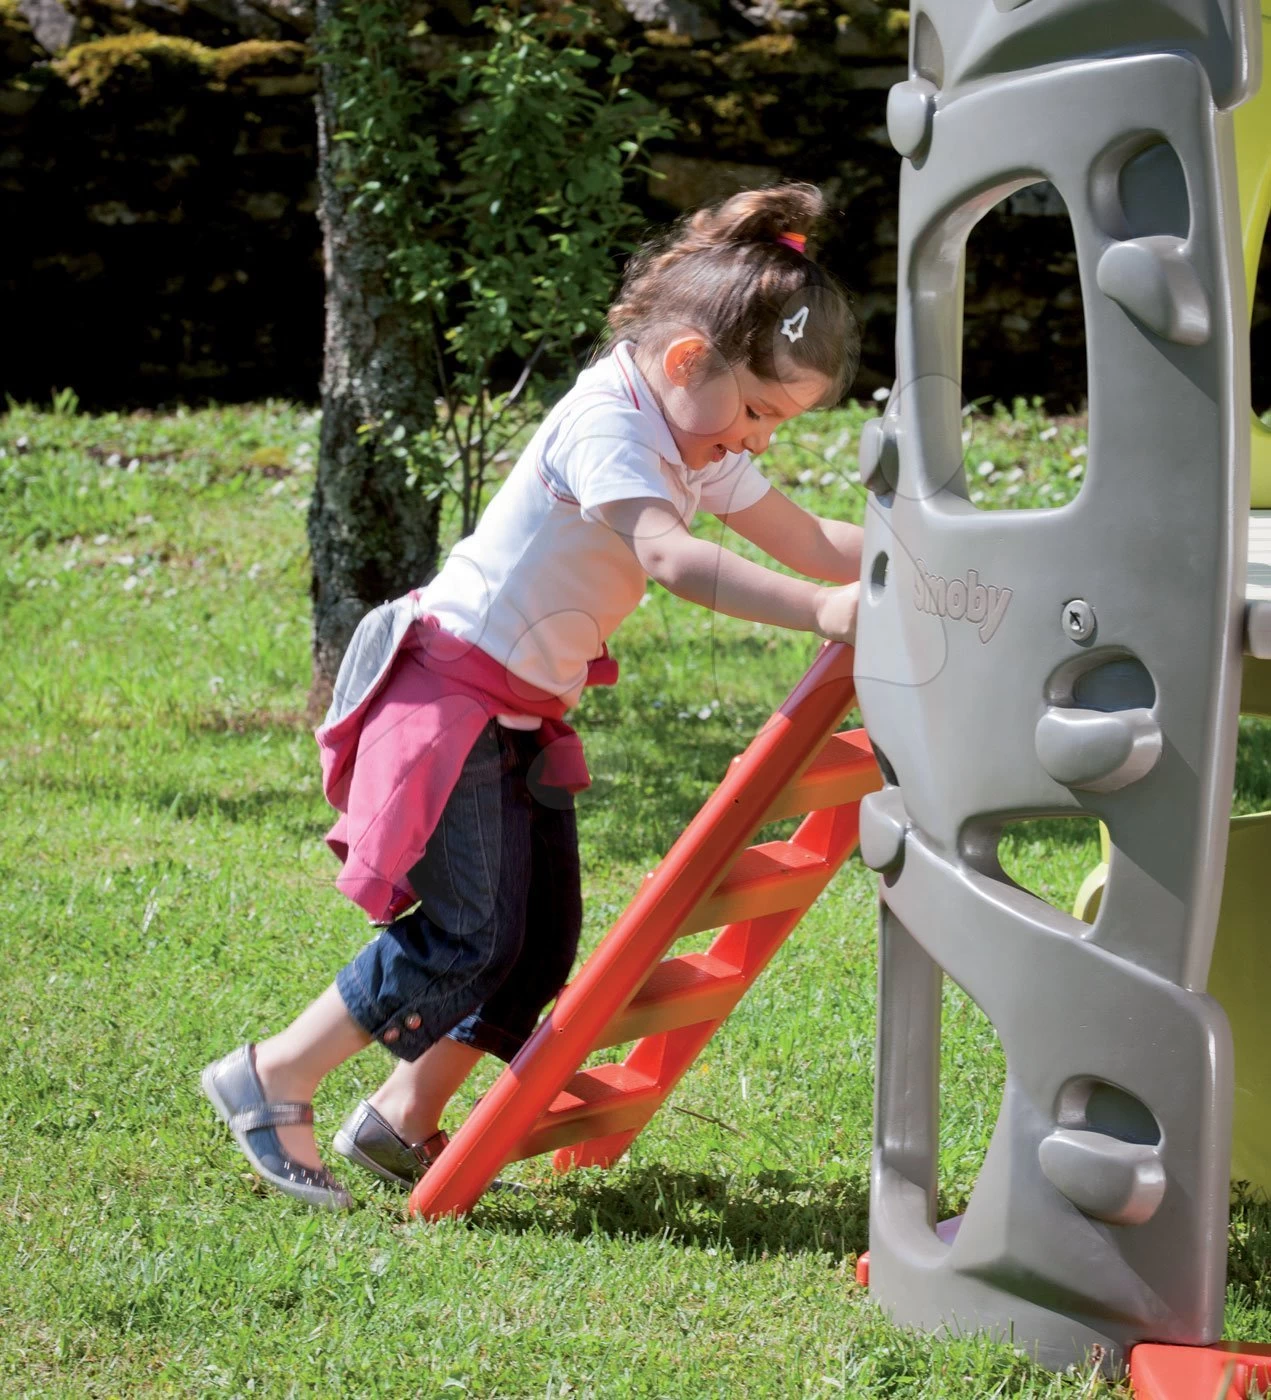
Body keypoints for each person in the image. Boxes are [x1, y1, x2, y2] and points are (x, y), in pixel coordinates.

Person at [201, 181, 866, 1208]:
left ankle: (398, 1120)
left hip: (520, 711)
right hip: (447, 698)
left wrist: (916, 560)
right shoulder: (610, 424)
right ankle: (272, 1073)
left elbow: (808, 537)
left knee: (539, 938)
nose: (757, 440)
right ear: (684, 359)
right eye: (756, 412)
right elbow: (670, 557)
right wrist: (824, 611)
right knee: (469, 930)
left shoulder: (696, 431)